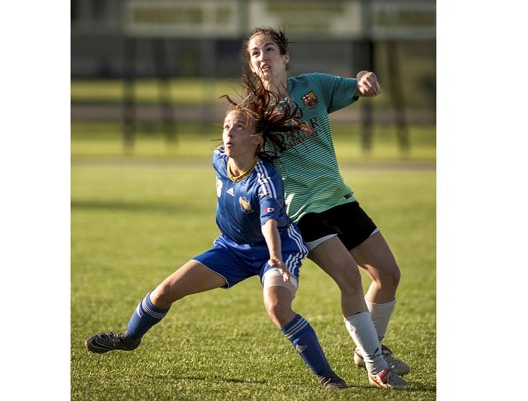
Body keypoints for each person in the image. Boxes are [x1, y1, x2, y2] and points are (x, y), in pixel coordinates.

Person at [85, 84, 348, 390]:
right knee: (165, 291)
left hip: (276, 249)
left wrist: (275, 257)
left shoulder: (265, 177)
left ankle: (327, 376)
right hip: (232, 249)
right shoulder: (218, 159)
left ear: (257, 138)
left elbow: (268, 222)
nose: (230, 132)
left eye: (239, 126)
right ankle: (129, 338)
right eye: (226, 126)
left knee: (277, 307)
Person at [240, 27, 411, 387]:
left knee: (388, 275)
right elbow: (238, 159)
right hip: (302, 211)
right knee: (349, 277)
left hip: (339, 198)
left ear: (285, 57)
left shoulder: (313, 87)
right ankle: (377, 364)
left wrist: (365, 79)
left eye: (269, 49)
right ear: (252, 65)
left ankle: (368, 346)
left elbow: (357, 83)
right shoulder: (253, 113)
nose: (262, 57)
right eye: (255, 53)